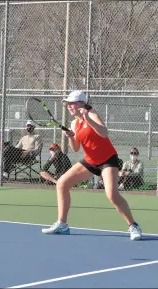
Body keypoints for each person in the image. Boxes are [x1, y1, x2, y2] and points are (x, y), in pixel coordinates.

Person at [41, 90, 142, 241]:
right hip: (90, 161)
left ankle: (133, 225)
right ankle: (62, 224)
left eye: (72, 103)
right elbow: (75, 148)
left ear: (82, 103)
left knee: (112, 194)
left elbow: (104, 133)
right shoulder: (74, 123)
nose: (69, 106)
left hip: (108, 160)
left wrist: (88, 118)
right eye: (68, 104)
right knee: (62, 183)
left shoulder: (92, 113)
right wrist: (70, 136)